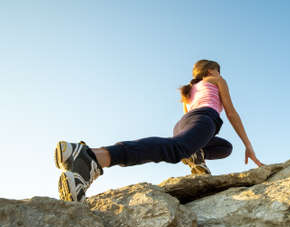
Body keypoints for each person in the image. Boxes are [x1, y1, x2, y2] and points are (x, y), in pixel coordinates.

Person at [55, 59, 264, 202]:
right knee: (176, 149)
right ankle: (92, 157)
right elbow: (231, 112)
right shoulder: (216, 79)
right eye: (218, 70)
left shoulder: (190, 91)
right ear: (210, 71)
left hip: (185, 123)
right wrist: (249, 145)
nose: (220, 74)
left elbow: (188, 117)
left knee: (224, 147)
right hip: (205, 119)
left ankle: (195, 153)